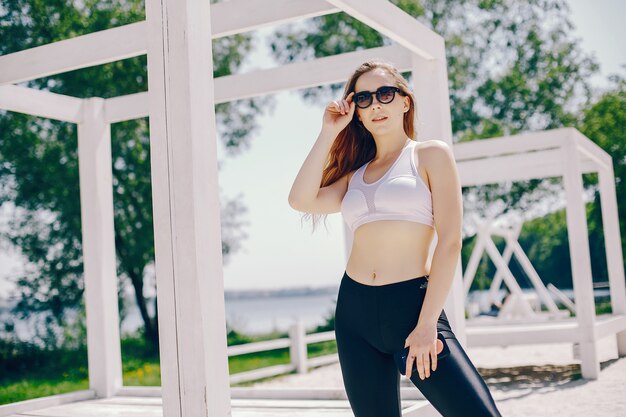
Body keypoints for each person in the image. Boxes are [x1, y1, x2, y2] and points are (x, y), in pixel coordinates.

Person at [287, 60, 502, 417]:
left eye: (385, 94)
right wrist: (328, 132)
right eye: (364, 98)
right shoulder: (354, 175)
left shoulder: (430, 155)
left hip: (411, 308)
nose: (376, 105)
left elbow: (450, 243)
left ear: (405, 101)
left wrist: (427, 323)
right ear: (356, 111)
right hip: (354, 313)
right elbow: (300, 199)